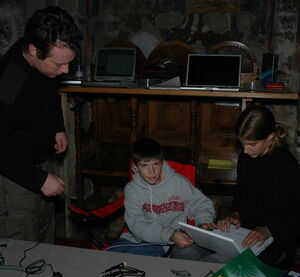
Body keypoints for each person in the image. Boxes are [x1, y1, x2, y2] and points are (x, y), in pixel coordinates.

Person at [0, 7, 82, 242]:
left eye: (69, 63)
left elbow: (49, 88)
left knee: (46, 246)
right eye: (59, 64)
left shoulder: (35, 52)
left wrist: (57, 126)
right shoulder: (8, 89)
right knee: (23, 252)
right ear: (34, 51)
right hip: (13, 177)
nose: (65, 70)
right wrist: (39, 180)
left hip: (38, 163)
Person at [216, 105, 300, 266]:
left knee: (218, 264)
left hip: (275, 240)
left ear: (270, 136)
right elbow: (242, 193)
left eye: (252, 144)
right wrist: (236, 214)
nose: (245, 150)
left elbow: (296, 212)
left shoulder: (287, 167)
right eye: (242, 144)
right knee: (192, 252)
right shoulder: (246, 157)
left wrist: (268, 230)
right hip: (245, 234)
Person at [107, 138, 216, 257]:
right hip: (136, 238)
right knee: (108, 258)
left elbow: (201, 204)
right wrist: (169, 234)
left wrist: (204, 221)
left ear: (162, 162)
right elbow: (137, 223)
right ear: (135, 167)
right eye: (144, 165)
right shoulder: (132, 189)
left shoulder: (179, 182)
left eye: (156, 164)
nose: (152, 171)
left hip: (164, 244)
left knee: (128, 261)